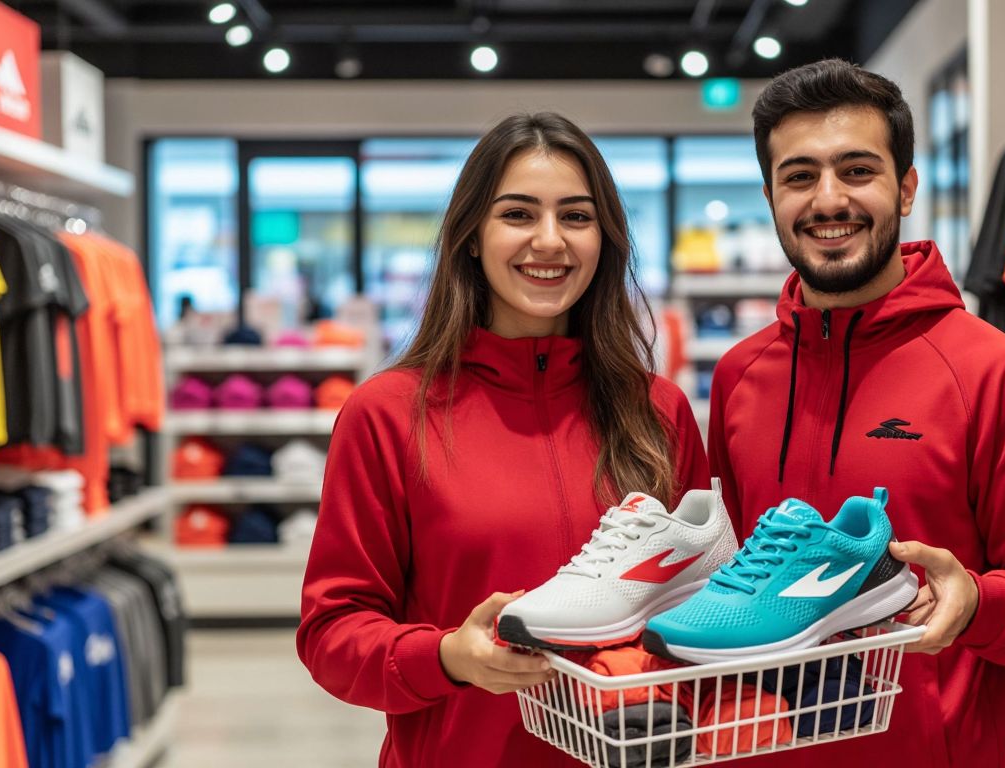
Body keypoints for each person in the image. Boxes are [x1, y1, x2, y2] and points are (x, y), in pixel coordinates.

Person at [706, 59, 1005, 766]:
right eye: (800, 177)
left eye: (857, 170)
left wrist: (980, 603)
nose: (829, 200)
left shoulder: (991, 370)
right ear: (770, 196)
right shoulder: (740, 376)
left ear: (907, 187)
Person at [296, 112, 709, 766]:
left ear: (606, 239)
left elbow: (698, 611)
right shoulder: (388, 413)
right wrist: (446, 657)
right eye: (519, 214)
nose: (549, 240)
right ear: (471, 236)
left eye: (576, 217)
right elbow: (331, 635)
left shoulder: (657, 411)